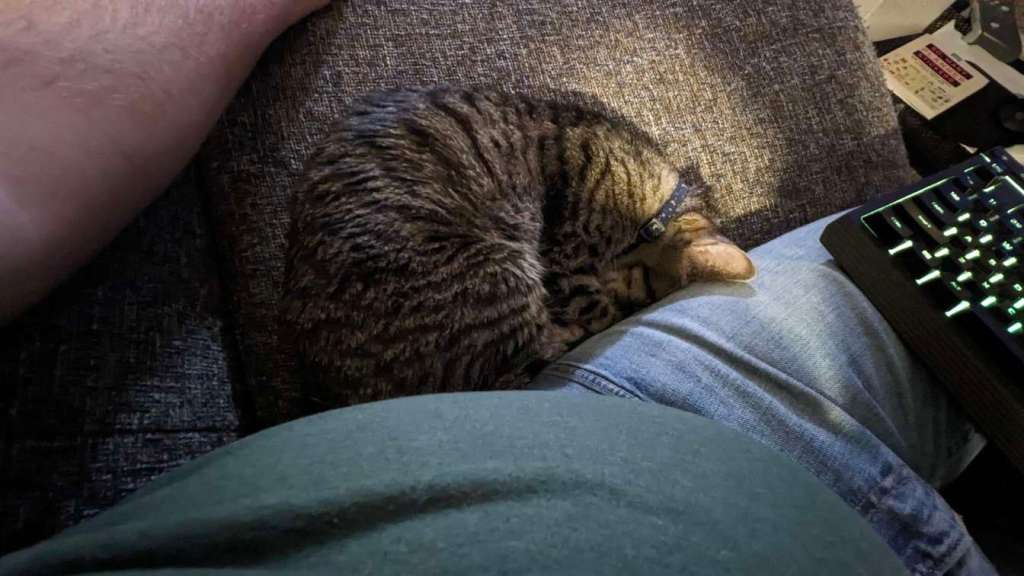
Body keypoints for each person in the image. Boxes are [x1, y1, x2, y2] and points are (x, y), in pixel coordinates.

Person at [0, 2, 995, 575]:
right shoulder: (620, 200)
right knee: (915, 262)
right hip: (570, 431)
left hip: (619, 450)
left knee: (911, 256)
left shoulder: (606, 181)